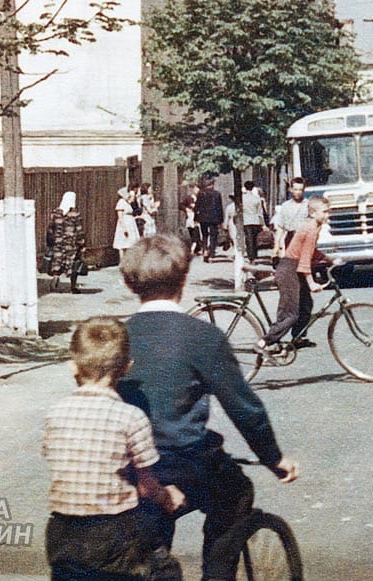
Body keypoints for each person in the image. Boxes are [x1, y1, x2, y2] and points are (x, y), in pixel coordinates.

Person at [116, 235, 299, 579]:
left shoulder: (116, 336)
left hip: (128, 468)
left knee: (150, 530)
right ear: (183, 280)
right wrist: (273, 457)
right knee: (236, 493)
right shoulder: (202, 337)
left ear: (129, 284)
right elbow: (244, 409)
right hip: (185, 461)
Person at [41, 316, 184, 580]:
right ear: (127, 367)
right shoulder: (131, 417)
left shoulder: (54, 413)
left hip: (62, 532)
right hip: (114, 533)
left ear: (72, 366)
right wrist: (167, 496)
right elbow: (146, 486)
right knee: (165, 571)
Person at [259, 196, 331, 349]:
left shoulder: (313, 226)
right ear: (312, 213)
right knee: (290, 313)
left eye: (328, 212)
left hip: (294, 268)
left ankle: (297, 337)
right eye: (324, 212)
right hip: (289, 270)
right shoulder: (311, 228)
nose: (327, 215)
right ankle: (264, 342)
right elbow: (304, 260)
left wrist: (327, 259)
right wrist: (311, 283)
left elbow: (309, 250)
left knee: (306, 305)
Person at [46, 192, 86, 293]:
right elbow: (79, 230)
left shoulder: (55, 213)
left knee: (58, 262)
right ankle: (73, 287)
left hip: (58, 242)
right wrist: (82, 243)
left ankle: (55, 280)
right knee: (73, 264)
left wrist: (50, 242)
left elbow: (50, 229)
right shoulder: (75, 214)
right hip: (71, 244)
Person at [274, 177, 308, 257]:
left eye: (300, 190)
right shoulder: (285, 206)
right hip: (290, 238)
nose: (298, 192)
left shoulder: (308, 205)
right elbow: (280, 227)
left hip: (304, 238)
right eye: (296, 189)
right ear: (291, 189)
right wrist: (276, 246)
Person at [193, 178, 224, 263]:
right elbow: (219, 207)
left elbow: (197, 206)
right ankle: (211, 253)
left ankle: (205, 249)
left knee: (204, 235)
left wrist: (195, 218)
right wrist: (221, 220)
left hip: (203, 218)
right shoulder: (217, 194)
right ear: (212, 184)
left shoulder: (201, 193)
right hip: (214, 218)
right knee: (214, 235)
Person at [113, 186, 140, 260]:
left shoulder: (128, 203)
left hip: (130, 224)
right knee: (122, 244)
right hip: (124, 224)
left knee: (130, 243)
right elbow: (120, 217)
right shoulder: (121, 202)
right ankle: (122, 261)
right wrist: (124, 228)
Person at [241, 181, 265, 262]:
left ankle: (250, 256)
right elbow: (260, 212)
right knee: (254, 239)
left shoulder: (242, 199)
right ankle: (255, 254)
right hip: (255, 220)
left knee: (248, 239)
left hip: (246, 220)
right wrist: (263, 223)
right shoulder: (256, 198)